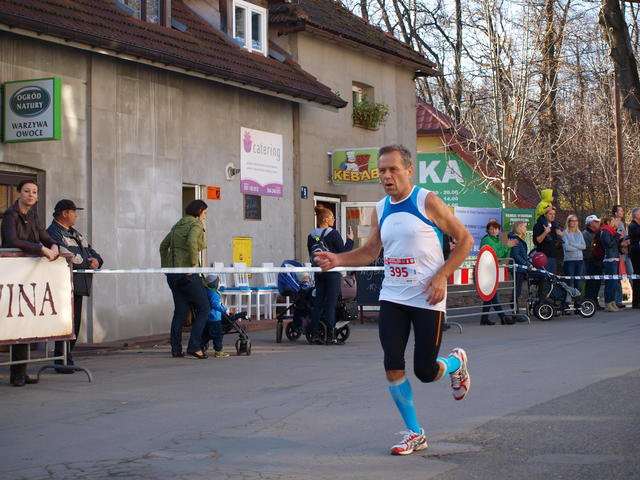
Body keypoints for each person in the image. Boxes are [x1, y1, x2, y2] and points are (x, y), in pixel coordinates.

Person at [314, 144, 474, 455]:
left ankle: (456, 362)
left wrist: (443, 275)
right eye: (382, 171)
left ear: (409, 171)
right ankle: (415, 433)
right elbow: (370, 252)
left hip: (427, 297)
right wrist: (338, 259)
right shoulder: (381, 208)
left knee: (425, 372)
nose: (386, 176)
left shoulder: (426, 200)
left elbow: (465, 240)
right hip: (393, 296)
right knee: (392, 364)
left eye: (393, 170)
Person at [1, 180, 59, 386]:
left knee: (25, 320)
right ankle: (17, 373)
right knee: (12, 321)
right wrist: (41, 249)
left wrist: (53, 244)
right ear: (19, 193)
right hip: (12, 273)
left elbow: (43, 235)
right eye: (26, 191)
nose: (30, 195)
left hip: (29, 274)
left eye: (34, 192)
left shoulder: (33, 215)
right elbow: (12, 240)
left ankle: (20, 371)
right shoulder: (10, 214)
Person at [47, 199, 103, 373]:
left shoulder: (75, 233)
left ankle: (68, 358)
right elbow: (66, 254)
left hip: (77, 285)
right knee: (65, 324)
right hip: (63, 285)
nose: (76, 216)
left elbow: (92, 251)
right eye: (74, 212)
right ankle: (61, 361)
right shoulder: (52, 233)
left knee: (74, 325)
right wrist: (88, 262)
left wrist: (97, 261)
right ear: (65, 213)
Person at [159, 199, 210, 359]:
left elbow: (163, 246)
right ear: (199, 212)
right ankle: (194, 346)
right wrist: (194, 264)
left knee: (180, 311)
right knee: (204, 308)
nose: (205, 217)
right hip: (187, 274)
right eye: (204, 213)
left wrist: (166, 267)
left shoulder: (177, 225)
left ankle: (176, 349)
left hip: (173, 274)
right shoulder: (195, 224)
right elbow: (192, 241)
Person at [307, 205, 354, 344]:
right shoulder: (333, 234)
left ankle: (314, 334)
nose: (334, 220)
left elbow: (311, 254)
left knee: (318, 303)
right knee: (331, 304)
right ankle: (330, 337)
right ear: (326, 219)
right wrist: (350, 240)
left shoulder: (311, 236)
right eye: (332, 217)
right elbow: (343, 254)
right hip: (333, 272)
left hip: (319, 272)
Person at [479, 220, 517, 325]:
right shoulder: (487, 240)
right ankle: (503, 317)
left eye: (496, 229)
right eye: (491, 229)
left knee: (490, 295)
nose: (494, 231)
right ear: (488, 230)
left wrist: (507, 247)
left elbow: (502, 256)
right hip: (486, 270)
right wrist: (507, 246)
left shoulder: (497, 240)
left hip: (492, 270)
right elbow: (496, 254)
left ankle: (484, 318)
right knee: (493, 295)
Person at [201, 275, 230, 358]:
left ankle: (199, 347)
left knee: (205, 335)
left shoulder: (207, 291)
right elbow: (215, 305)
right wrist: (225, 309)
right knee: (218, 336)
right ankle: (218, 351)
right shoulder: (214, 294)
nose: (220, 284)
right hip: (215, 318)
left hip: (208, 318)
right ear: (215, 284)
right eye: (219, 282)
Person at [508, 220, 531, 316]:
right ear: (519, 227)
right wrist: (526, 264)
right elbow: (515, 255)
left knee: (518, 290)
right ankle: (515, 312)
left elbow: (521, 254)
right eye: (524, 226)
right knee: (517, 290)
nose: (526, 228)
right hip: (517, 268)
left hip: (520, 268)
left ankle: (515, 311)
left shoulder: (519, 238)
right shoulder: (515, 239)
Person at [600, 215, 623, 312]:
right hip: (610, 259)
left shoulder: (611, 231)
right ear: (608, 222)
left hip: (614, 258)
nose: (614, 223)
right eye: (613, 221)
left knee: (614, 282)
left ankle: (612, 302)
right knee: (610, 282)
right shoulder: (605, 231)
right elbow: (609, 244)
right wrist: (617, 236)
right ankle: (608, 303)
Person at [533, 207, 563, 274]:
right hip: (542, 258)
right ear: (545, 215)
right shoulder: (538, 225)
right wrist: (545, 232)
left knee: (552, 278)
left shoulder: (555, 226)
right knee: (544, 278)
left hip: (553, 257)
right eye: (550, 214)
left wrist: (560, 237)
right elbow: (536, 241)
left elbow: (555, 243)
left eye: (554, 214)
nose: (553, 216)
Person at [582, 215, 603, 308]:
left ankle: (595, 301)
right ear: (591, 223)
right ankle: (589, 302)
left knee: (597, 283)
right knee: (590, 283)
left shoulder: (598, 233)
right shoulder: (585, 234)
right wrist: (593, 257)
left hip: (598, 261)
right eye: (596, 221)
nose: (598, 223)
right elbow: (585, 249)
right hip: (590, 262)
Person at [562, 214, 586, 292]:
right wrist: (578, 247)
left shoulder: (579, 233)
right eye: (572, 221)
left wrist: (572, 244)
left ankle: (577, 299)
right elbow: (567, 248)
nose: (574, 222)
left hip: (580, 260)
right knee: (569, 282)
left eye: (576, 221)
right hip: (569, 261)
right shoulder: (564, 233)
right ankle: (568, 298)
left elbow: (584, 246)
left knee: (578, 282)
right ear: (568, 222)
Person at [628, 207, 640, 309]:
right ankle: (636, 301)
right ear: (636, 215)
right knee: (637, 277)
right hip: (636, 253)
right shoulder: (633, 225)